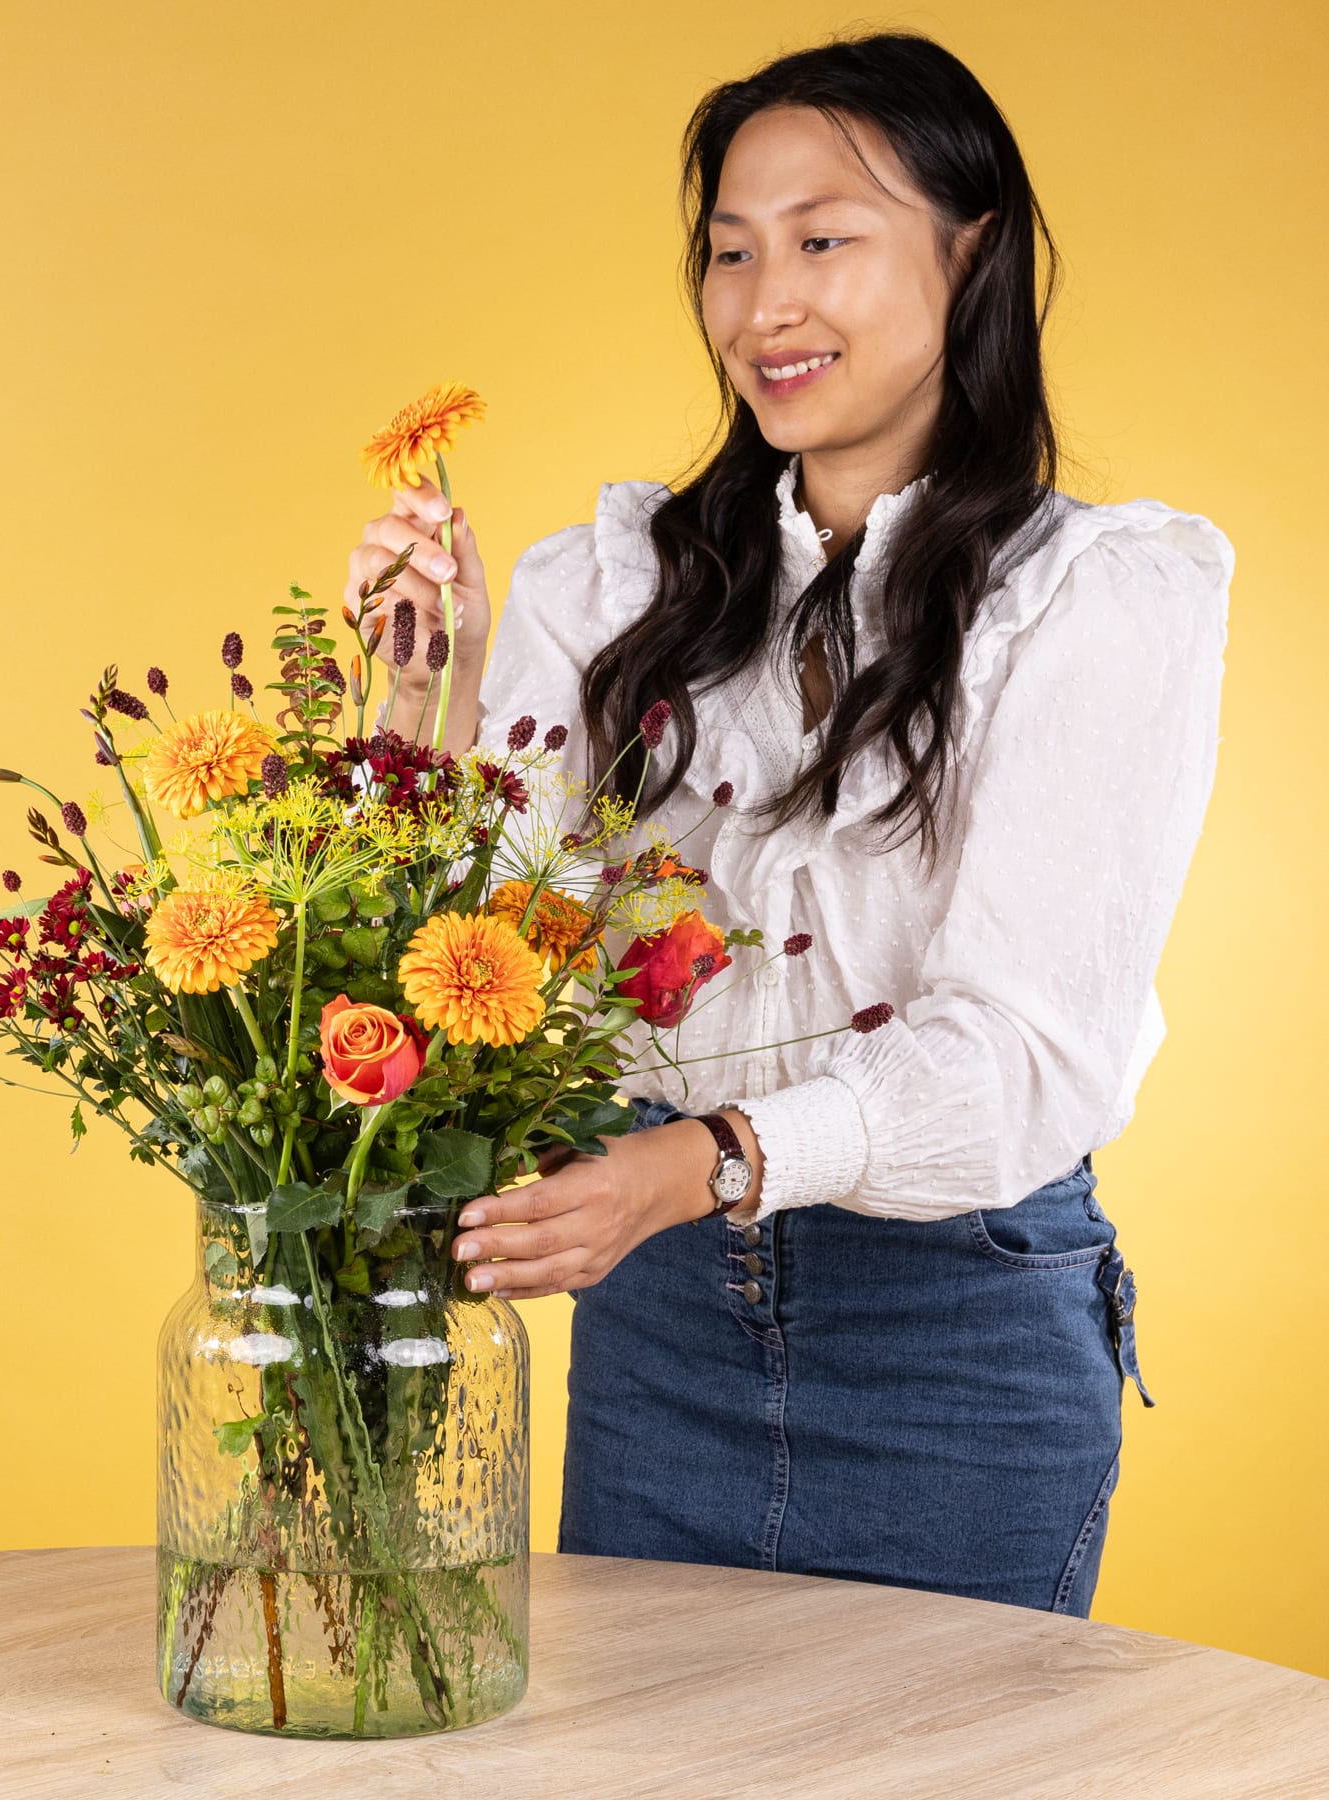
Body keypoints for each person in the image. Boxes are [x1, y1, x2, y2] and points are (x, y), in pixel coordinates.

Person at [344, 31, 1231, 1617]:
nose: (765, 307)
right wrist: (418, 701)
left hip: (954, 1331)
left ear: (972, 255)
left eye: (826, 240)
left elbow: (1022, 1051)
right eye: (729, 253)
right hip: (663, 1321)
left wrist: (695, 1163)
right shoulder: (604, 589)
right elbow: (483, 969)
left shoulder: (1094, 600)